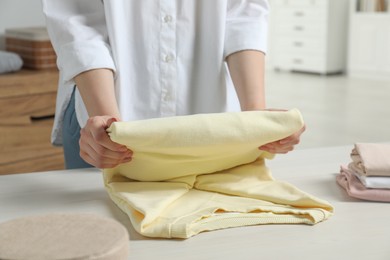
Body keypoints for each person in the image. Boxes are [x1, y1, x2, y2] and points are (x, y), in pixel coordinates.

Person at [42, 0, 305, 169]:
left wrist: (254, 118)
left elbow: (243, 14)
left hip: (213, 119)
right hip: (102, 115)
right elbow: (79, 25)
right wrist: (108, 124)